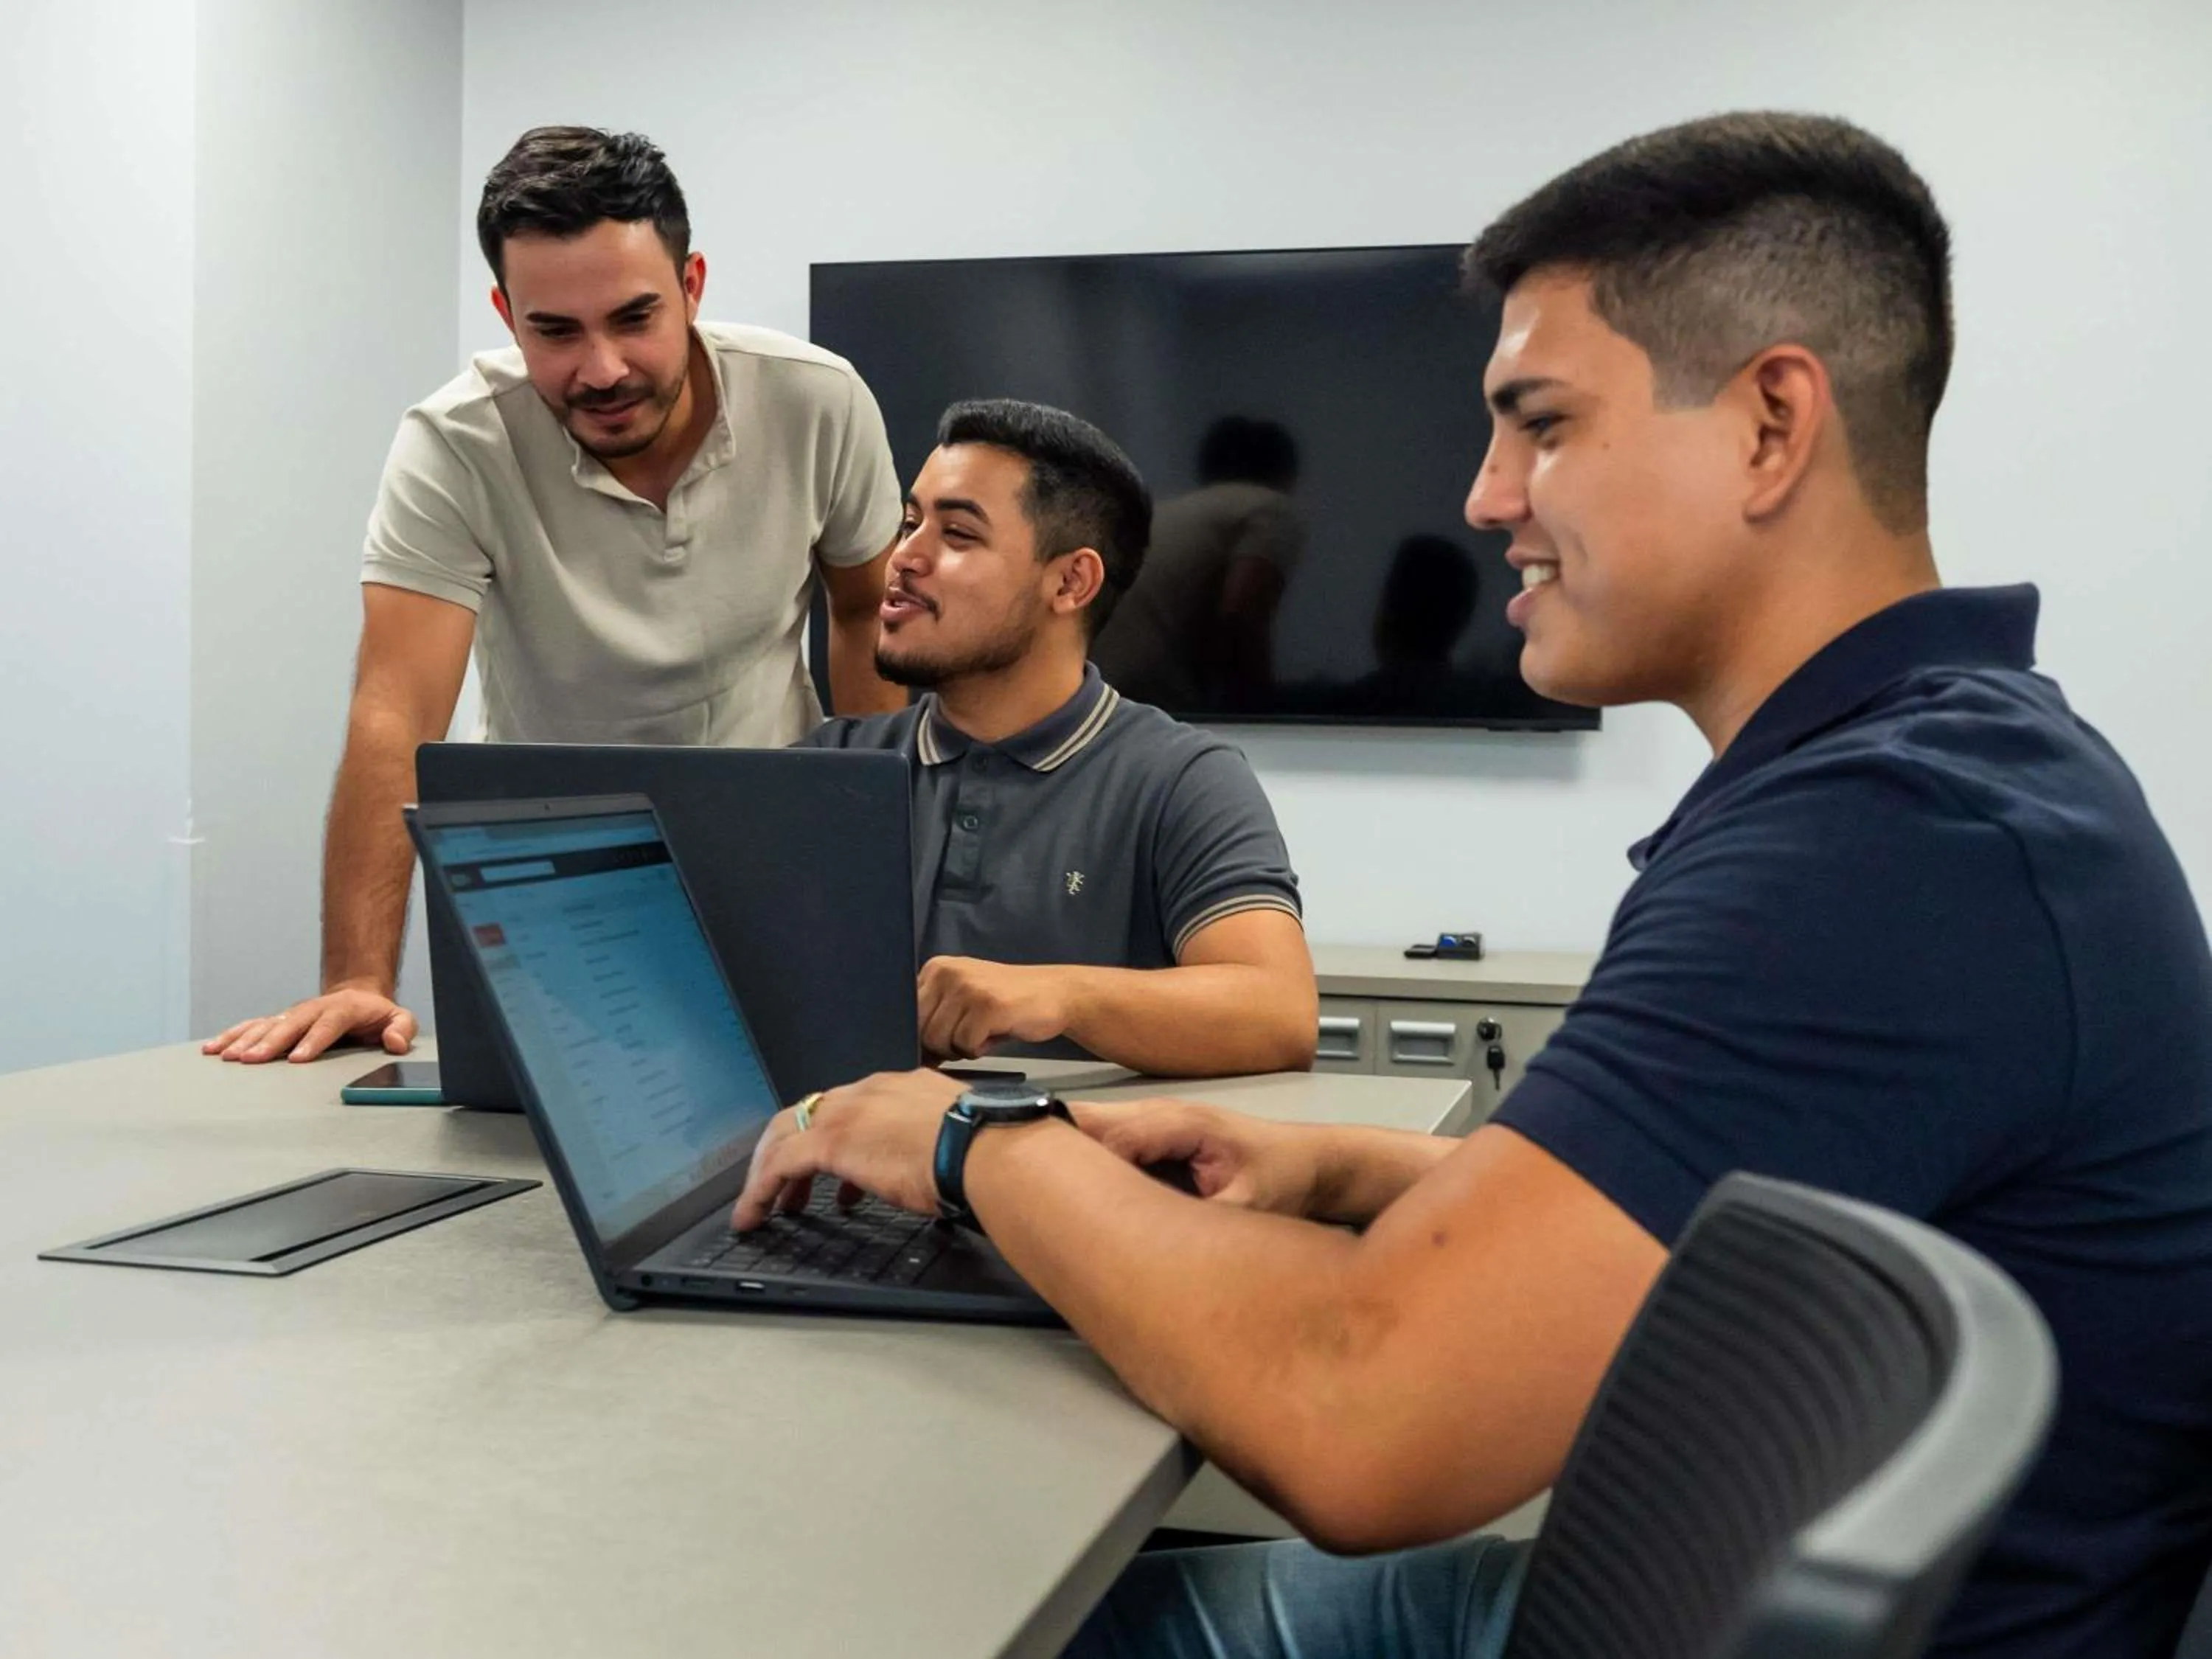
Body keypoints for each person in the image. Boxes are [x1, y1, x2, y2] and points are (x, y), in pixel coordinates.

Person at [732, 113, 2212, 1658]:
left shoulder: (1896, 843)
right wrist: (1333, 1166)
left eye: (1542, 423)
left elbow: (1360, 1421)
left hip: (1701, 1626)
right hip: (1706, 1589)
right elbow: (1739, 1223)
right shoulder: (1924, 780)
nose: (1488, 494)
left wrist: (981, 1142)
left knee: (924, 1617)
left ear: (1773, 425)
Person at [206, 127, 905, 1068]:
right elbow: (396, 708)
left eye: (634, 318)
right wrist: (356, 981)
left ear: (692, 285)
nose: (603, 368)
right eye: (556, 331)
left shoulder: (820, 401)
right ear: (506, 311)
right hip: (546, 867)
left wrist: (869, 865)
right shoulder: (456, 444)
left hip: (773, 834)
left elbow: (867, 612)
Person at [800, 398, 1316, 1077]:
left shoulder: (1181, 779)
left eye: (956, 535)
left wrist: (1058, 993)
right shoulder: (825, 769)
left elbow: (1278, 1013)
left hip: (1081, 1171)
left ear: (1071, 581)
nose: (903, 558)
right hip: (857, 1168)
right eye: (909, 523)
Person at [1091, 415, 1304, 713]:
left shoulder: (1162, 513)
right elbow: (1242, 613)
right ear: (1286, 473)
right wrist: (1268, 708)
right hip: (1162, 699)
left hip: (1097, 690)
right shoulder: (1270, 508)